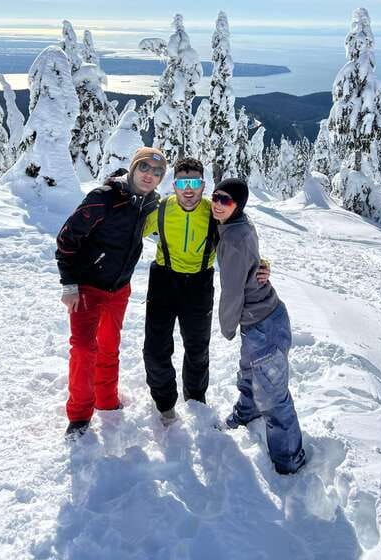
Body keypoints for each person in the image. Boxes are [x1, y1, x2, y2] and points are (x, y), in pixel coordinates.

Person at [142, 157, 270, 425]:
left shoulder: (212, 213)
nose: (188, 190)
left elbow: (243, 237)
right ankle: (165, 403)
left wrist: (263, 265)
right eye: (182, 182)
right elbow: (129, 229)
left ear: (203, 185)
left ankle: (195, 400)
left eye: (195, 183)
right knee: (155, 349)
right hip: (164, 280)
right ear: (174, 185)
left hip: (199, 284)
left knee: (197, 348)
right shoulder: (162, 209)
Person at [55, 147, 166, 438]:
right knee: (82, 349)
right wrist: (69, 283)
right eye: (144, 168)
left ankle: (106, 399)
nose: (149, 175)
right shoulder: (102, 198)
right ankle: (79, 416)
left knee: (109, 345)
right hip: (87, 287)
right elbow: (67, 238)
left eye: (157, 172)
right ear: (132, 167)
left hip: (119, 289)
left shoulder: (150, 204)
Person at [212, 177, 306, 475]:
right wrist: (262, 264)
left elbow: (232, 289)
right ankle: (248, 410)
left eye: (225, 200)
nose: (217, 204)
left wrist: (227, 326)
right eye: (215, 197)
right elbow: (253, 262)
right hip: (260, 320)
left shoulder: (234, 238)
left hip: (265, 323)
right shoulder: (234, 224)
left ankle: (289, 458)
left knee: (274, 396)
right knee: (250, 371)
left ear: (237, 206)